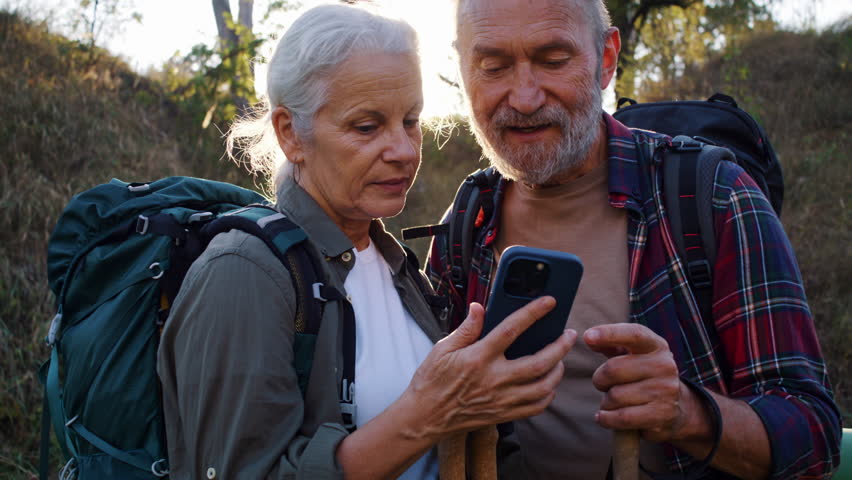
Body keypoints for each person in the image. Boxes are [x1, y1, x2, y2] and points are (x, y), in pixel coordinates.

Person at [156, 4, 577, 479]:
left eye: (411, 120)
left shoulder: (404, 273)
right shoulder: (243, 273)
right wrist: (426, 415)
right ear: (290, 133)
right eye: (366, 126)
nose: (403, 150)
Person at [426, 0, 842, 478]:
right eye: (493, 66)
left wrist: (689, 413)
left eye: (554, 61)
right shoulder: (466, 217)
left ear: (606, 59)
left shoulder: (714, 197)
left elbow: (814, 436)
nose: (523, 97)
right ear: (462, 72)